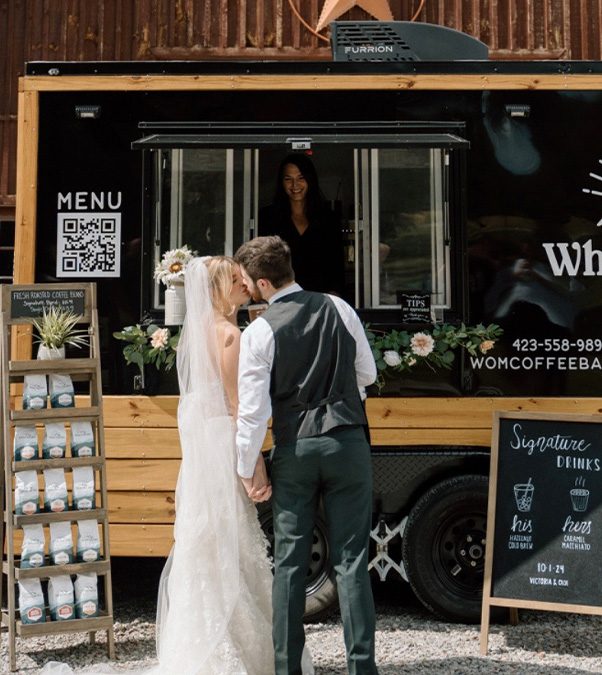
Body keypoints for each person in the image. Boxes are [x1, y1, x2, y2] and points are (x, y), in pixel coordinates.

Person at [41, 255, 314, 675]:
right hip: (224, 446)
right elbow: (239, 406)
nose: (245, 283)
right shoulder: (229, 335)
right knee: (229, 540)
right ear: (218, 289)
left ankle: (206, 641)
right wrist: (254, 463)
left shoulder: (199, 332)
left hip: (204, 449)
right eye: (235, 280)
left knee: (209, 539)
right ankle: (234, 649)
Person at [234, 236, 379, 675]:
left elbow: (253, 413)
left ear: (262, 283)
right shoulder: (340, 308)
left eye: (247, 281)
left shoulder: (259, 332)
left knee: (290, 566)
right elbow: (367, 373)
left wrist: (247, 466)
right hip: (347, 443)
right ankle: (362, 669)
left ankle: (287, 670)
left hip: (295, 447)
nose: (246, 287)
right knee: (352, 562)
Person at [258, 154, 346, 296]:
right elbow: (261, 265)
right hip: (281, 299)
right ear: (281, 182)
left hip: (319, 300)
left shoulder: (327, 219)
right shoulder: (268, 217)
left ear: (310, 180)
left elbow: (336, 269)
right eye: (288, 179)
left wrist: (331, 303)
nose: (295, 185)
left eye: (301, 178)